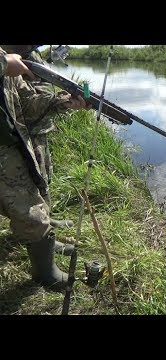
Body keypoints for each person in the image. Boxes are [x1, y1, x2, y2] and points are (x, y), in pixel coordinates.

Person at [0, 46, 90, 290]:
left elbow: (27, 105)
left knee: (33, 193)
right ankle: (44, 273)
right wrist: (3, 63)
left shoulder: (9, 59)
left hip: (12, 143)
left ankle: (40, 243)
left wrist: (63, 102)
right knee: (29, 208)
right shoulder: (6, 59)